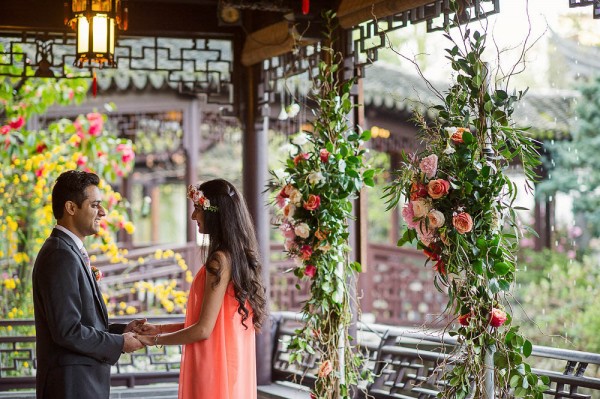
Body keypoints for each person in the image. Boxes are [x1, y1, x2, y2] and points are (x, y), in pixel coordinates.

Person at [134, 178, 267, 399]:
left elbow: (203, 330)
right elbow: (210, 323)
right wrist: (158, 328)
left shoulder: (219, 261)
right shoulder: (236, 258)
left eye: (197, 209)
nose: (193, 216)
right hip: (230, 370)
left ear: (215, 213)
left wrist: (153, 341)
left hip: (213, 371)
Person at [32, 170, 145, 399]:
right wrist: (119, 343)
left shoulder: (69, 251)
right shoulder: (59, 255)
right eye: (95, 205)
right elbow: (68, 331)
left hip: (82, 384)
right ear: (71, 208)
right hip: (71, 387)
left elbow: (83, 322)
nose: (102, 212)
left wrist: (122, 330)